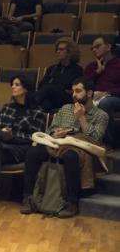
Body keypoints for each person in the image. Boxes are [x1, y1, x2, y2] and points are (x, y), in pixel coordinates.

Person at [21, 78, 109, 218]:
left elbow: (95, 139)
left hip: (81, 148)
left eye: (78, 91)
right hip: (58, 143)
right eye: (73, 91)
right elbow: (51, 130)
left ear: (90, 93)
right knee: (33, 152)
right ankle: (28, 198)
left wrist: (81, 118)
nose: (74, 94)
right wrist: (56, 133)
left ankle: (71, 203)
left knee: (70, 156)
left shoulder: (101, 115)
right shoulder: (65, 109)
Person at [0, 75, 46, 210]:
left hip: (22, 149)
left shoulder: (37, 111)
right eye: (12, 84)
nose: (13, 87)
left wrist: (10, 134)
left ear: (25, 89)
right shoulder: (7, 108)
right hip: (5, 147)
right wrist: (2, 131)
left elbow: (35, 136)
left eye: (17, 84)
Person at [84, 35, 120, 147]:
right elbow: (82, 84)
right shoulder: (92, 66)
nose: (94, 49)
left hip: (114, 97)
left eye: (98, 46)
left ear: (108, 47)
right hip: (93, 97)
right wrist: (98, 72)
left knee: (105, 103)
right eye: (92, 48)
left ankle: (107, 142)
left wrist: (107, 93)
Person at [35, 37, 83, 112]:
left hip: (66, 98)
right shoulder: (52, 68)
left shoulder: (77, 69)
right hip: (51, 97)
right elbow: (41, 85)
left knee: (47, 88)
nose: (58, 51)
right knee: (45, 104)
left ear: (70, 52)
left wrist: (55, 86)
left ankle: (29, 105)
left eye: (61, 49)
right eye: (57, 49)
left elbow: (72, 88)